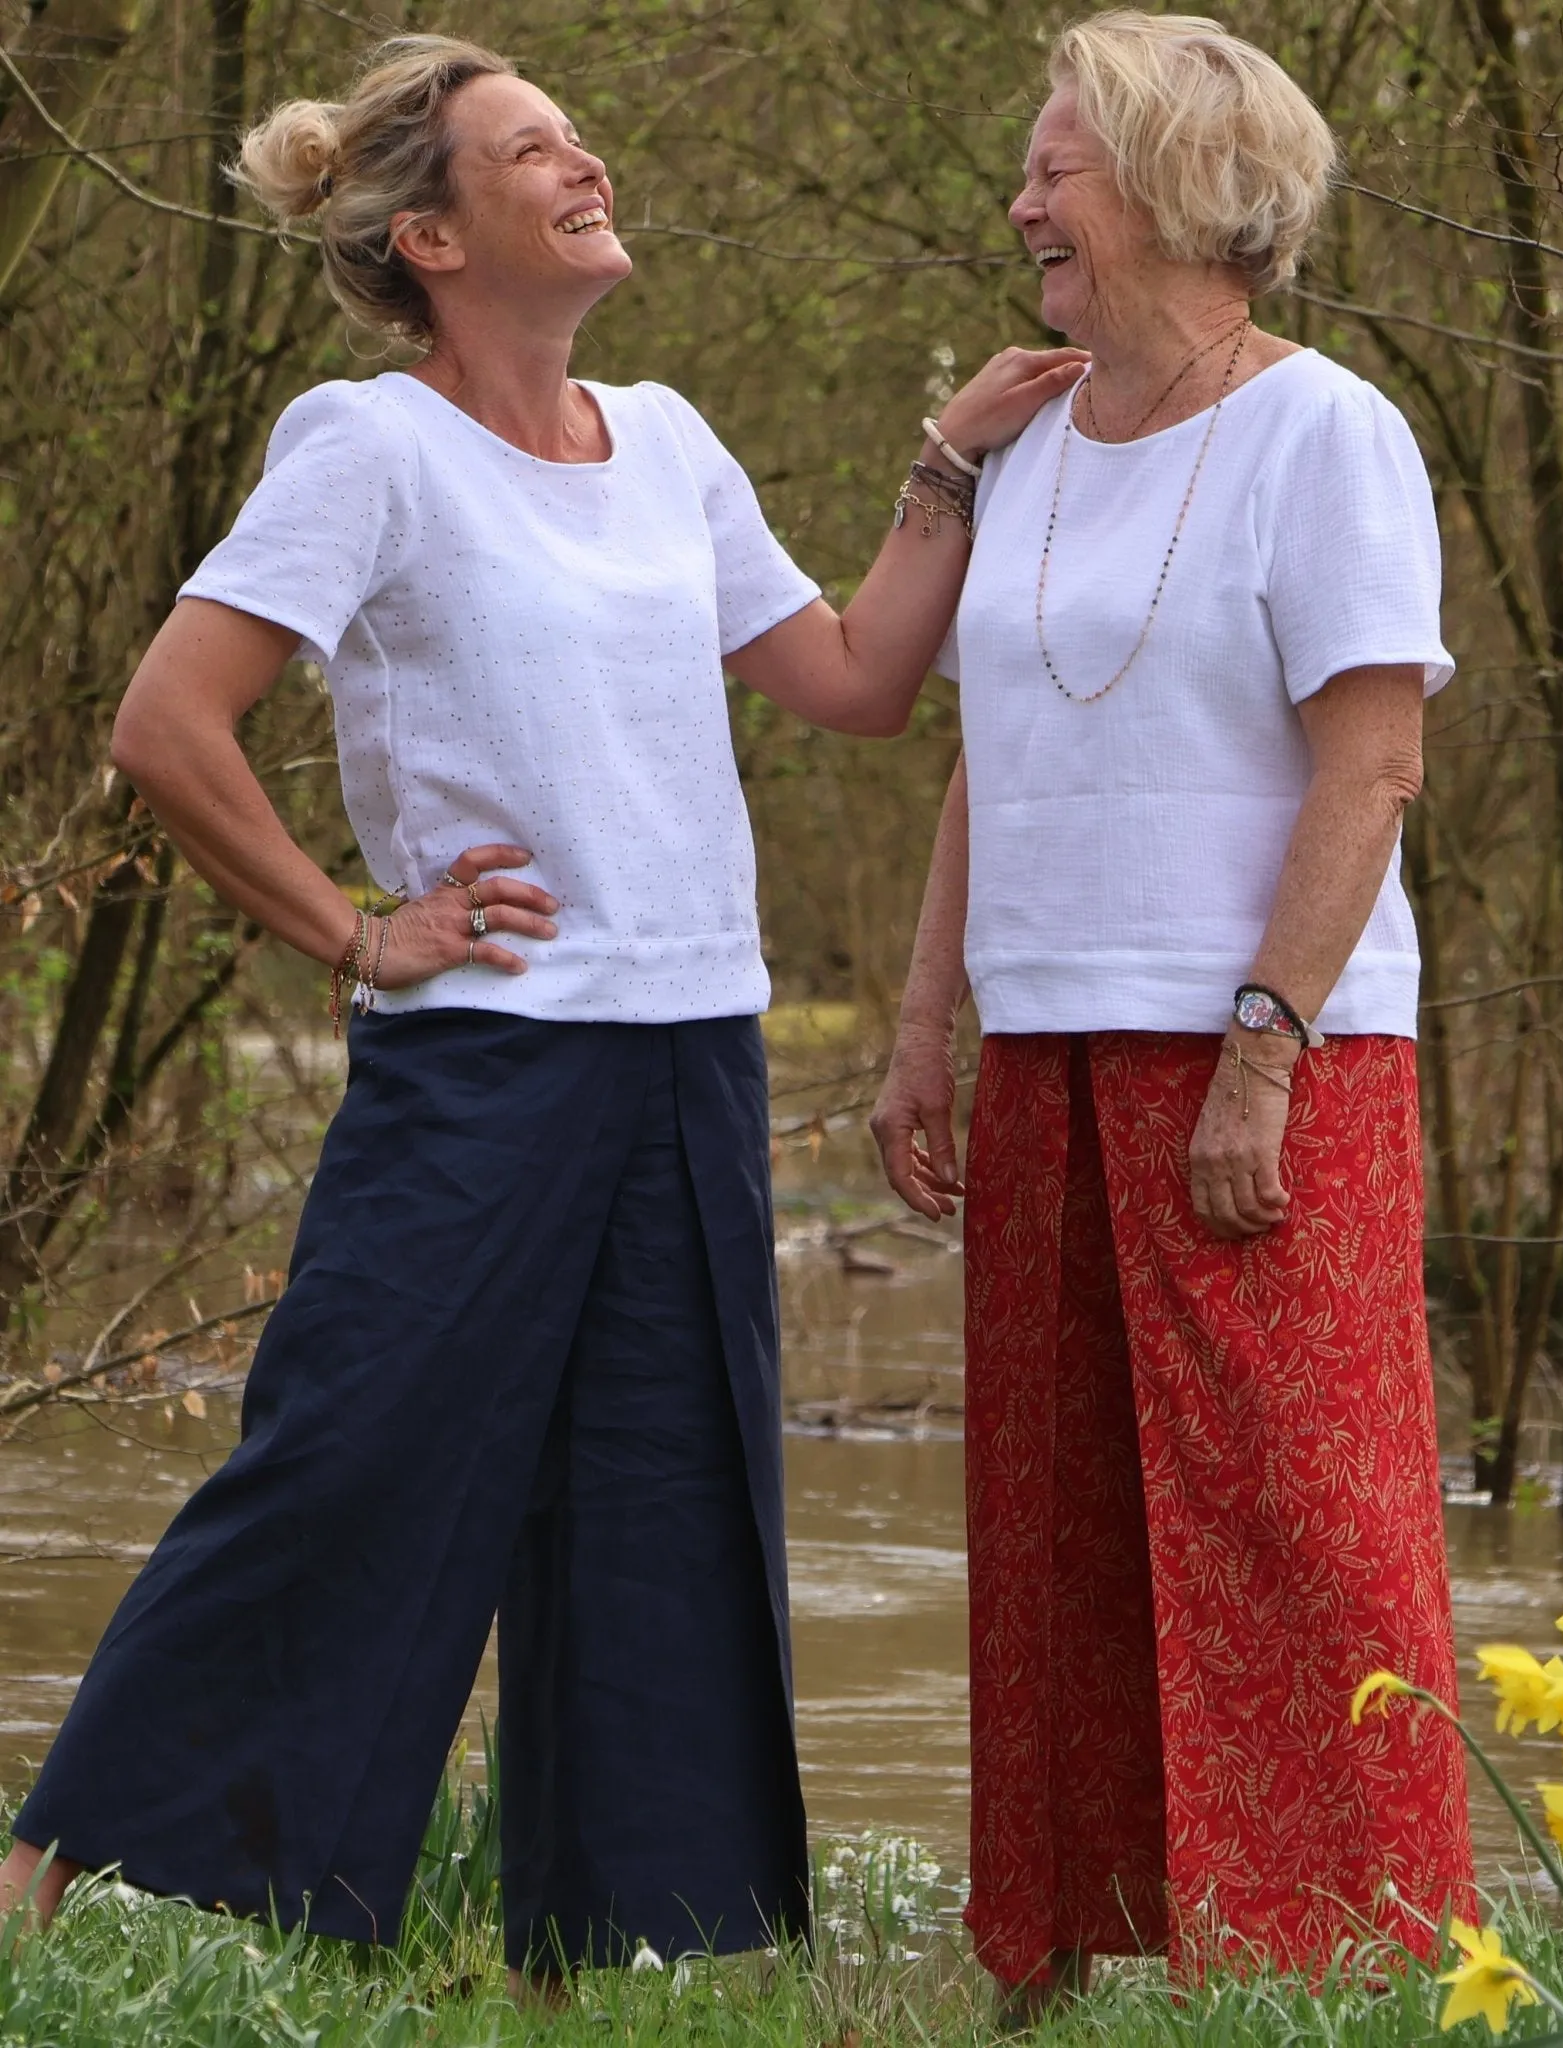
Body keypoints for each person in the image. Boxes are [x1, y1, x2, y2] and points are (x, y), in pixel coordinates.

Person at [0, 34, 1081, 1990]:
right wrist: (351, 929)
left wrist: (948, 461)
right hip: (484, 1060)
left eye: (577, 138)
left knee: (667, 1509)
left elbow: (847, 678)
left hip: (694, 1051)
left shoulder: (667, 440)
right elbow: (166, 723)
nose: (584, 165)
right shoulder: (368, 447)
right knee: (345, 1458)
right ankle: (40, 1893)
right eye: (531, 152)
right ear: (432, 235)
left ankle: (608, 1971)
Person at [870, 8, 1473, 2004]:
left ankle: (1344, 1967)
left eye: (1059, 162)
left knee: (1304, 1534)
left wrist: (1258, 1049)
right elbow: (991, 753)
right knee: (1055, 1542)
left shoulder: (1327, 433)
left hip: (1264, 1059)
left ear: (1182, 188)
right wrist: (919, 1025)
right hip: (1041, 1052)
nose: (1023, 197)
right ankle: (1053, 1953)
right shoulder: (1030, 438)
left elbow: (1368, 764)